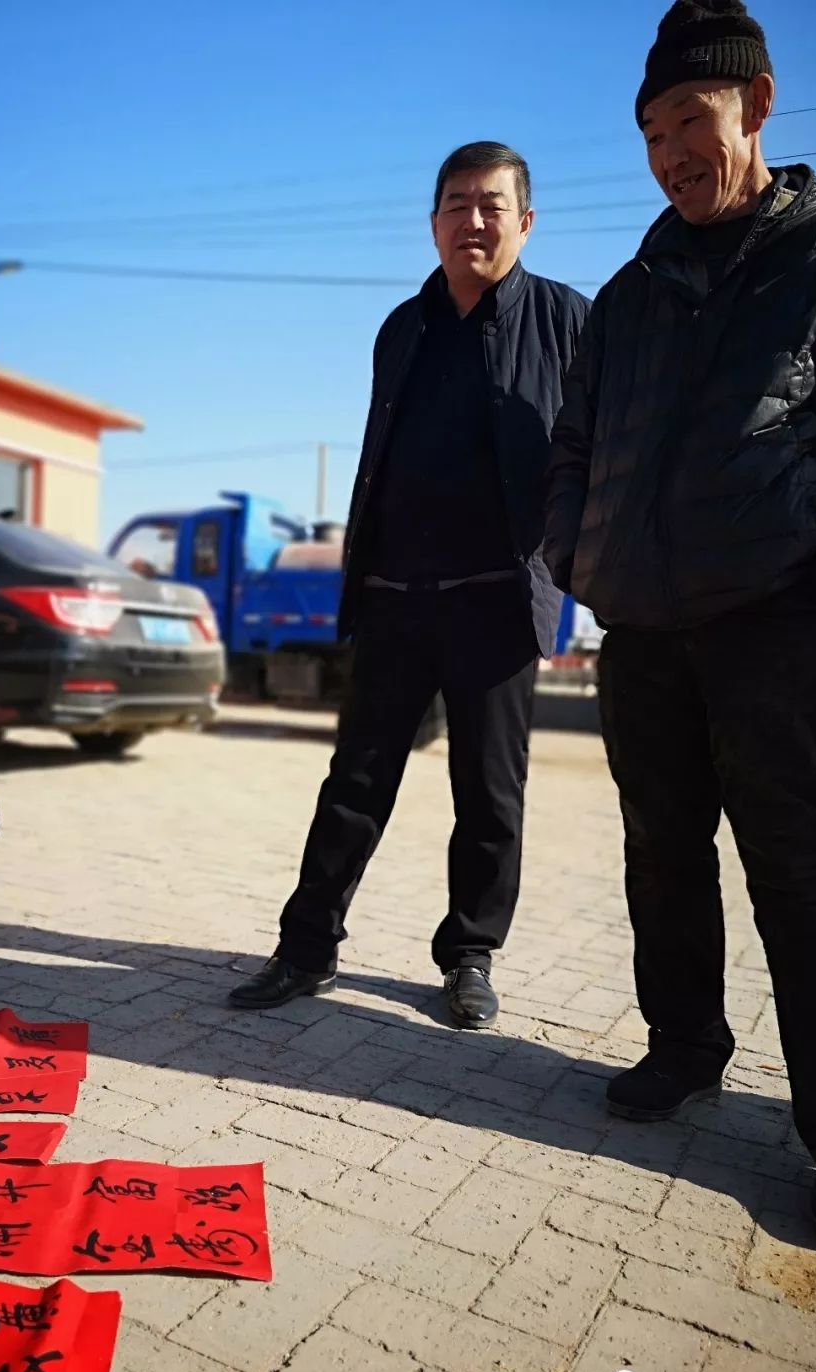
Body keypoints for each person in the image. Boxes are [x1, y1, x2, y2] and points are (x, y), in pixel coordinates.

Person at [543, 0, 816, 1241]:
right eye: (653, 131)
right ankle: (683, 1044)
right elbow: (572, 443)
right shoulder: (629, 292)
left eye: (692, 121)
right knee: (661, 851)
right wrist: (578, 552)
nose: (671, 153)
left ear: (757, 105)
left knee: (804, 876)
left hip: (783, 621)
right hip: (644, 630)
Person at [231, 142, 589, 1025]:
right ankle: (305, 945)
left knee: (489, 794)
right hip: (396, 591)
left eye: (491, 205)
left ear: (526, 221)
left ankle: (469, 955)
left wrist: (576, 563)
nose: (473, 220)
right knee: (354, 782)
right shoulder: (403, 327)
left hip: (497, 599)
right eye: (456, 204)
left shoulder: (569, 322)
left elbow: (593, 456)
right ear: (433, 222)